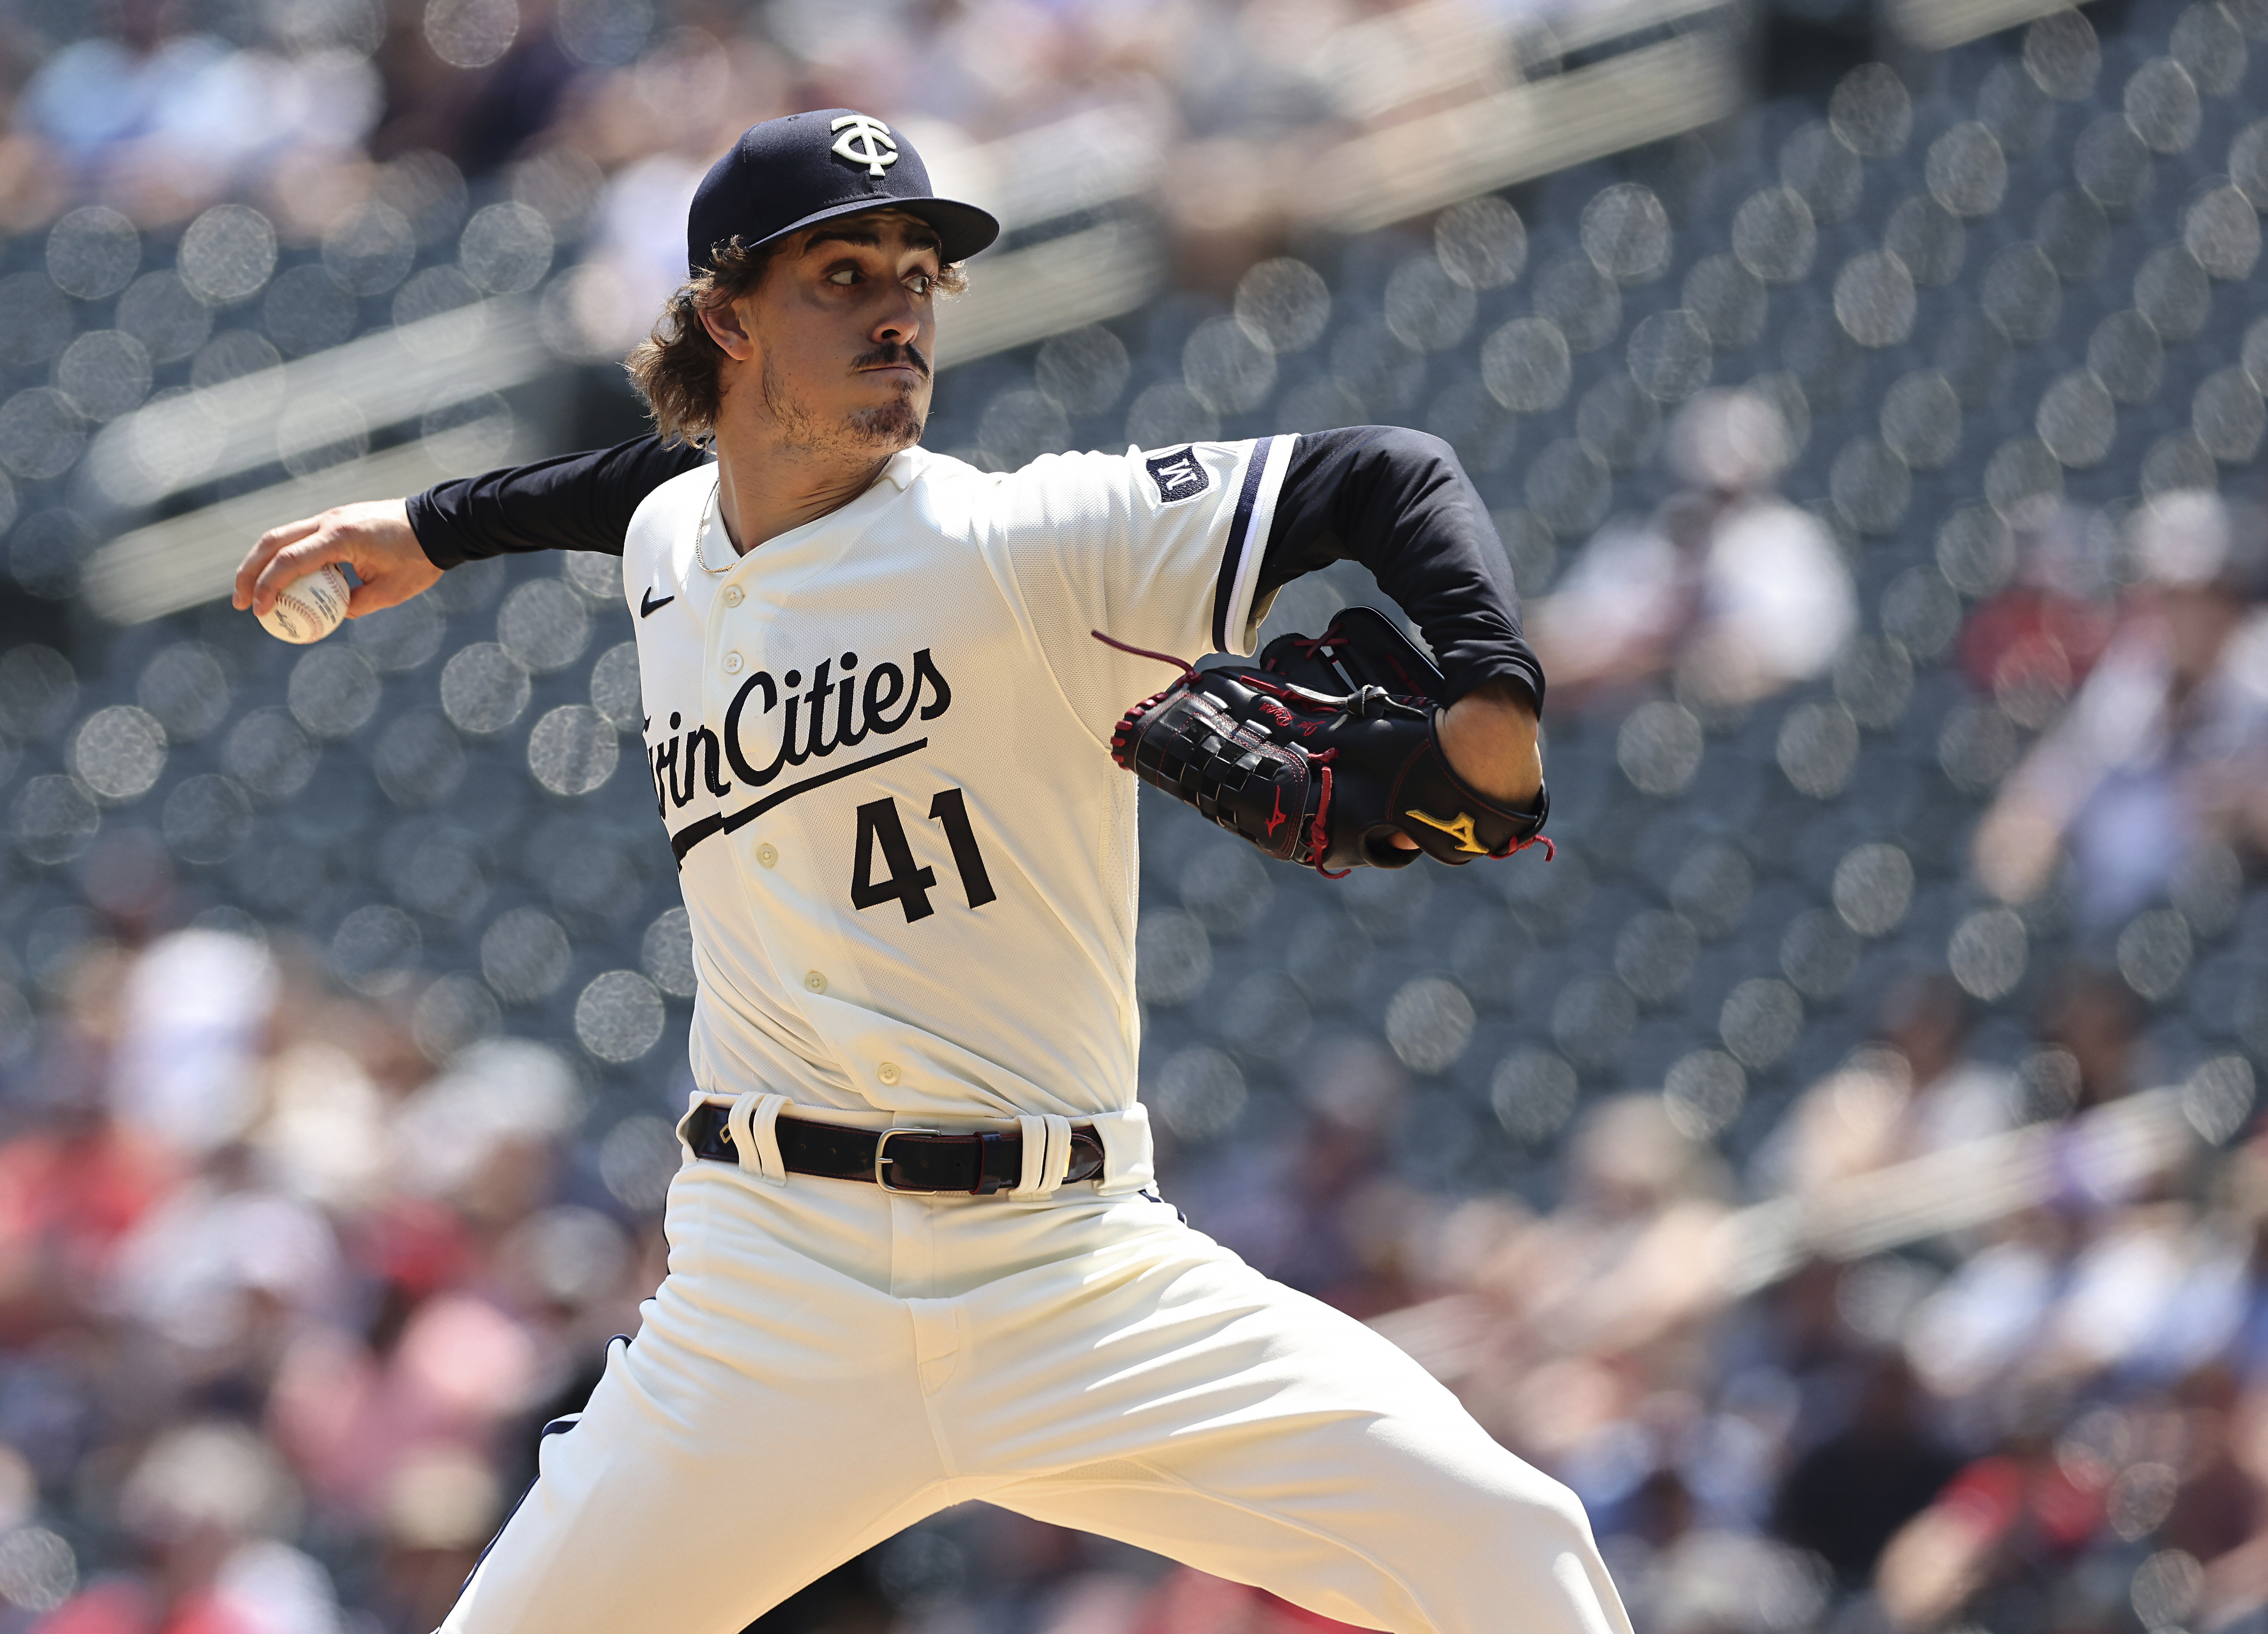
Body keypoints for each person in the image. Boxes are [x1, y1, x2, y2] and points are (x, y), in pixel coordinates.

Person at [231, 107, 1627, 1634]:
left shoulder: (1021, 542)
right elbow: (636, 489)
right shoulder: (666, 541)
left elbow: (1391, 476)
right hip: (771, 1291)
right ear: (725, 315)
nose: (900, 304)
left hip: (1069, 1270)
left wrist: (1491, 690)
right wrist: (433, 528)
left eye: (917, 271)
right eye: (842, 273)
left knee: (1515, 1547)